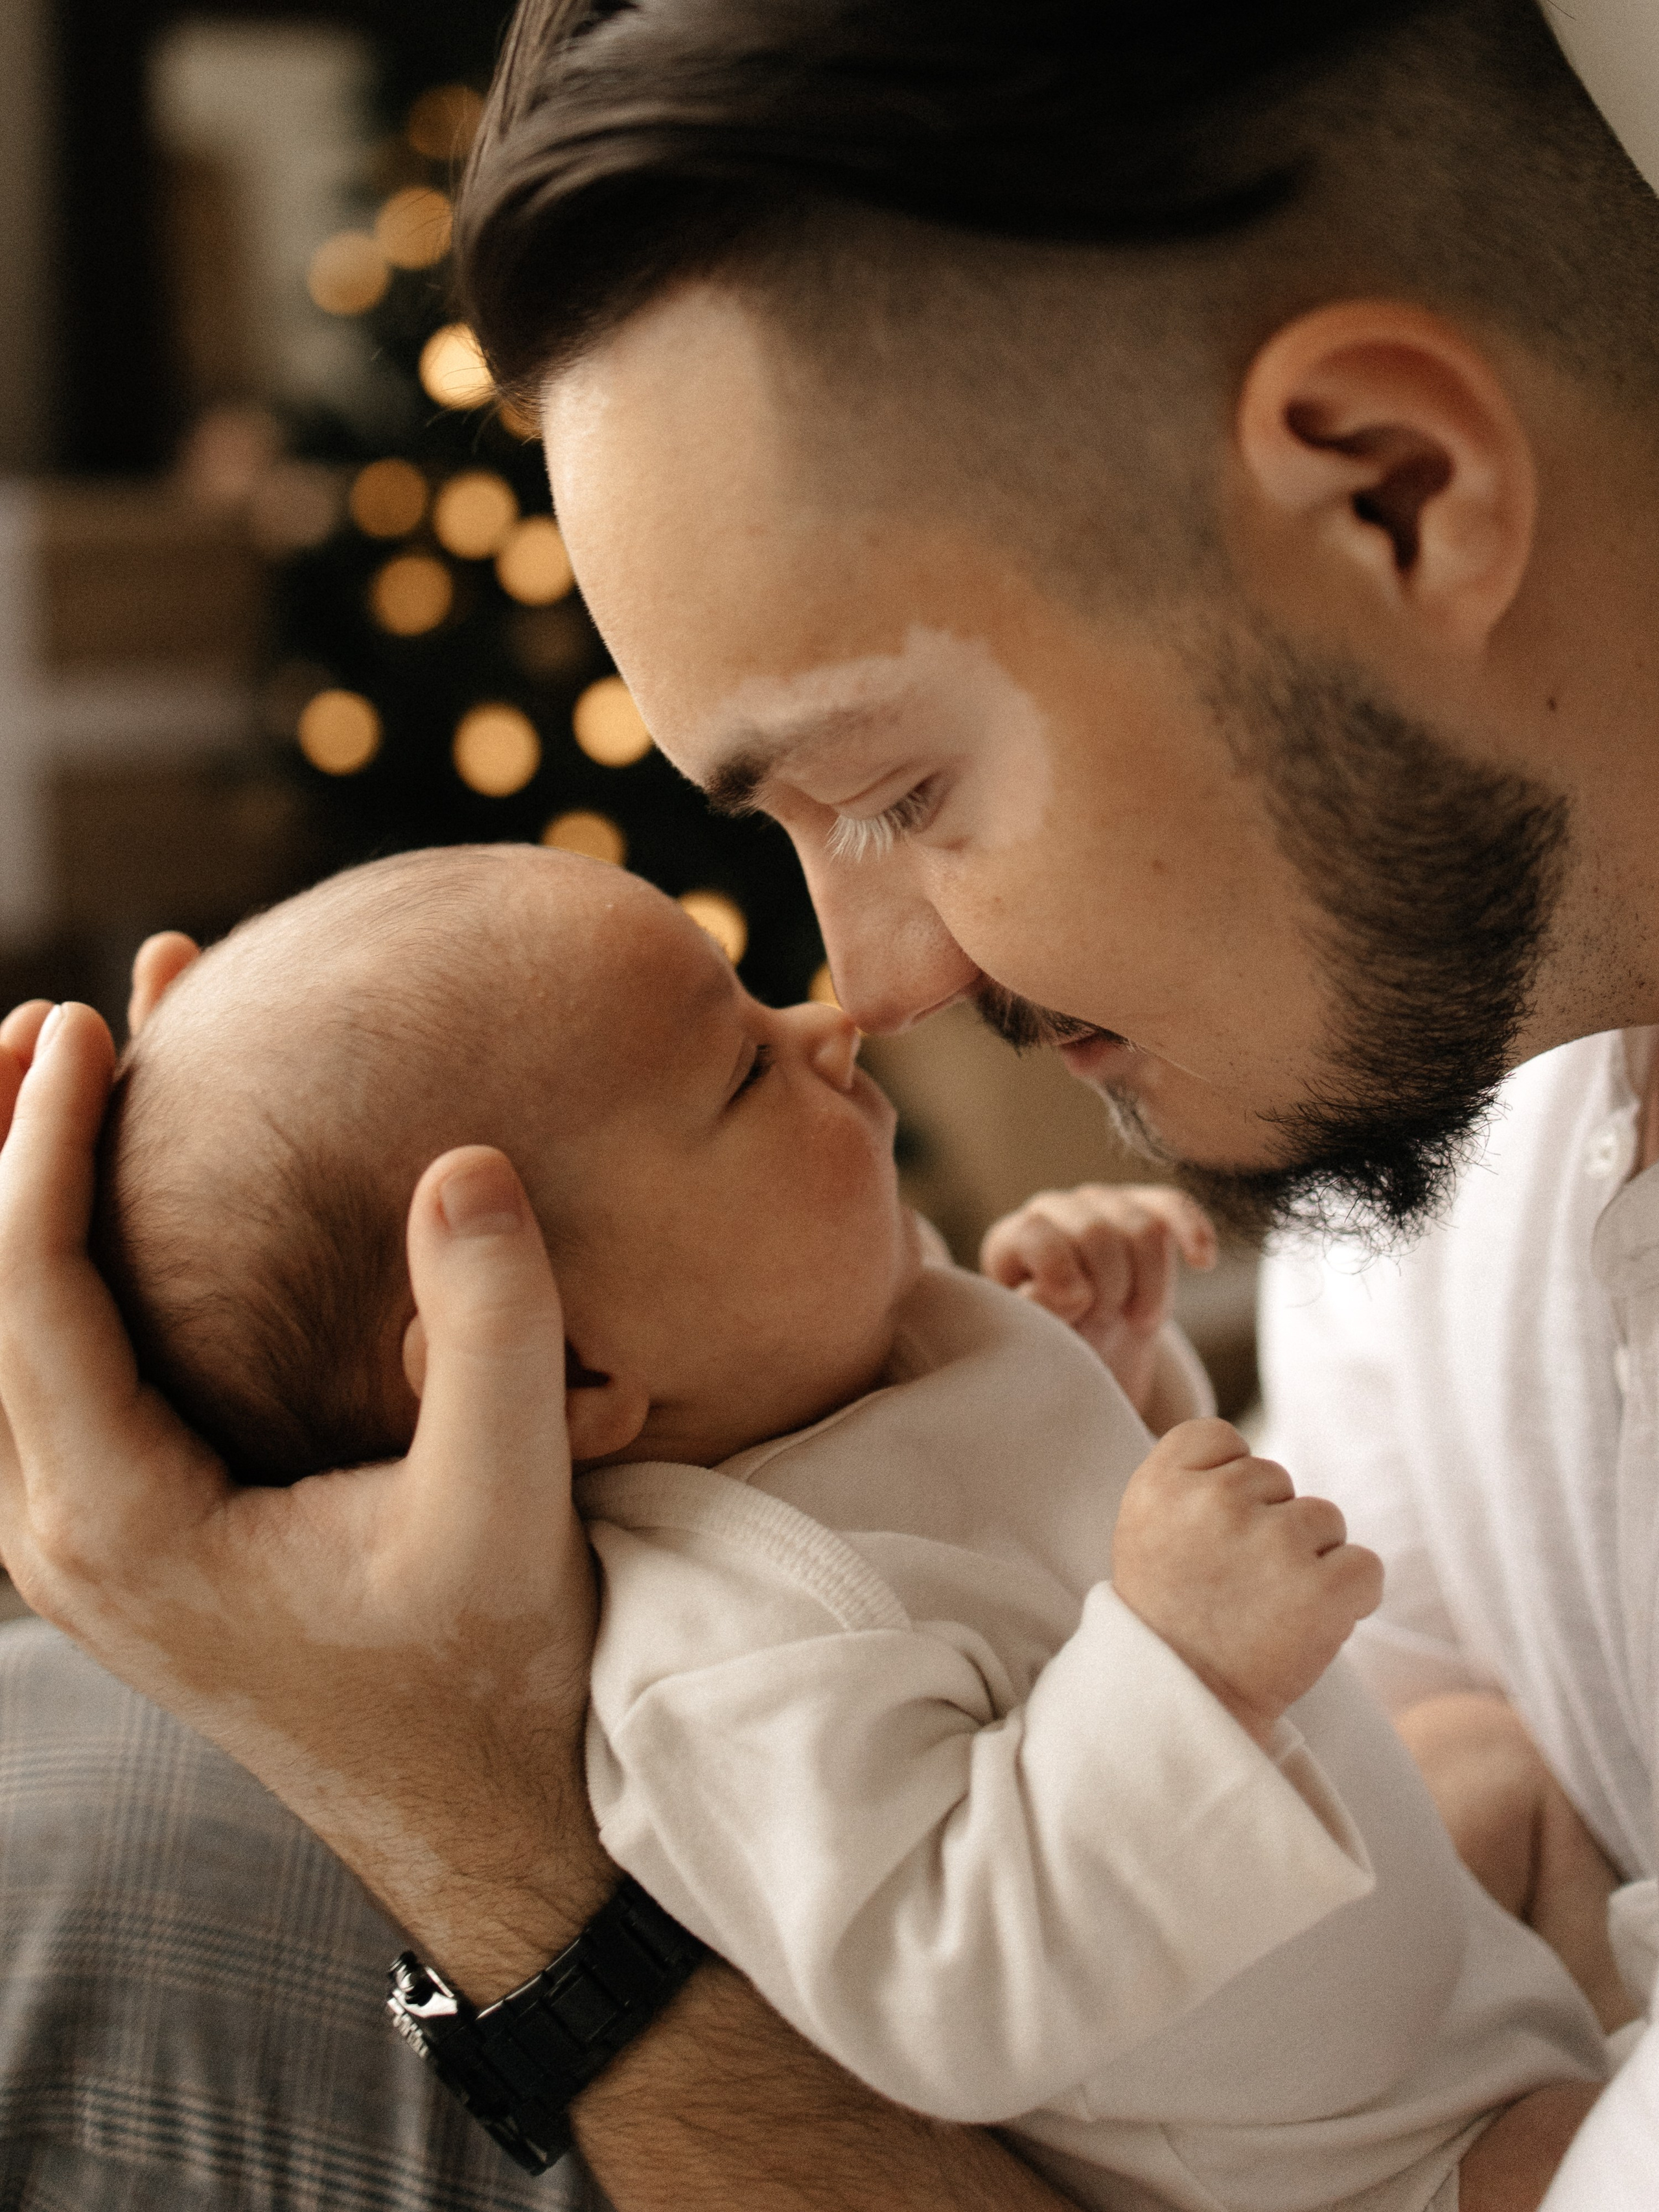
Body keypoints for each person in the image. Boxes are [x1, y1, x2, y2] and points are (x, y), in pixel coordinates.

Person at [5, 0, 1659, 2204]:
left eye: (901, 787)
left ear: (1394, 487)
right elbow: (1347, 1742)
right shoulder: (1459, 1139)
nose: (871, 986)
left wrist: (481, 1849)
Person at [91, 841, 1610, 2212]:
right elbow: (957, 1982)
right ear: (563, 1362)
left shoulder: (854, 1350)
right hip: (1351, 2165)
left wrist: (1102, 1364)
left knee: (1490, 1760)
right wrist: (1180, 1661)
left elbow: (1036, 1567)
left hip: (1388, 1985)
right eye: (743, 1073)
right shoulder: (716, 1657)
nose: (826, 1022)